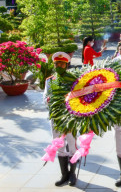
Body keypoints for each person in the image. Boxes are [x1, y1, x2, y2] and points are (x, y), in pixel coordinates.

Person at [43, 52, 78, 186]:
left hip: (70, 118)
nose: (59, 66)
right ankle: (64, 174)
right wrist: (49, 101)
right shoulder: (50, 80)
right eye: (57, 64)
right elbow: (45, 96)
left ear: (66, 64)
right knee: (59, 146)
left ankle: (72, 174)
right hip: (56, 118)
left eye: (62, 64)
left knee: (72, 145)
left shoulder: (73, 79)